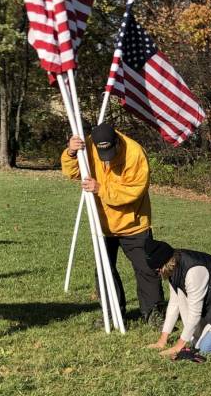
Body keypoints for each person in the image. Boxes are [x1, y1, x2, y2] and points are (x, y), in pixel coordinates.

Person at [61, 122, 164, 325]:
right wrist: (71, 153)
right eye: (102, 153)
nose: (106, 158)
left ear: (117, 141)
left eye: (110, 151)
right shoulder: (87, 145)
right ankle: (112, 313)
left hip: (133, 224)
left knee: (146, 268)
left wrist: (101, 189)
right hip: (102, 223)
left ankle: (153, 313)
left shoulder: (134, 153)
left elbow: (135, 191)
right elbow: (72, 173)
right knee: (104, 268)